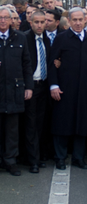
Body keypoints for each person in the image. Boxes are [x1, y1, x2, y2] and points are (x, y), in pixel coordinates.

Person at [48, 8, 87, 170]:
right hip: (64, 88)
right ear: (69, 21)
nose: (78, 23)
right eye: (74, 20)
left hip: (84, 90)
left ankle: (79, 157)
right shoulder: (61, 39)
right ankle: (60, 157)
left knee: (81, 123)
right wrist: (54, 85)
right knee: (62, 123)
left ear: (85, 20)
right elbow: (52, 63)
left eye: (80, 20)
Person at [0, 7, 33, 176]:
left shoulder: (20, 38)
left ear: (12, 20)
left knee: (12, 129)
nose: (3, 21)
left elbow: (27, 64)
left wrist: (28, 87)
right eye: (0, 18)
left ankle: (11, 161)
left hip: (14, 90)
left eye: (6, 18)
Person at [22, 11, 50, 173]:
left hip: (44, 86)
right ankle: (33, 160)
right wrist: (27, 86)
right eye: (36, 22)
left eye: (42, 22)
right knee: (31, 123)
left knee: (41, 122)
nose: (39, 25)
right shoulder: (25, 38)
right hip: (30, 86)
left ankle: (38, 155)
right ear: (31, 23)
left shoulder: (47, 39)